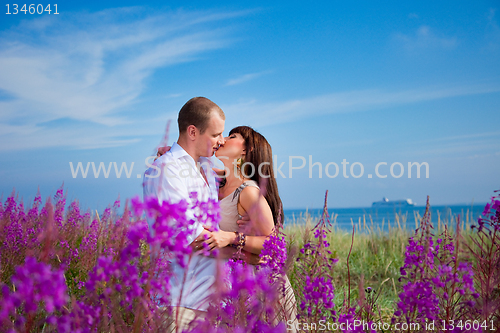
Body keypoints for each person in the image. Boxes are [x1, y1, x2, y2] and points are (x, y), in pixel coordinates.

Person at [202, 126, 298, 327]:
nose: (223, 139)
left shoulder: (247, 191)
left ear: (246, 150)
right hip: (235, 284)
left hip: (263, 288)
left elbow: (273, 244)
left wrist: (231, 238)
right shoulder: (219, 182)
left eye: (232, 136)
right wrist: (171, 153)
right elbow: (192, 163)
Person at [143, 97, 225, 331]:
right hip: (179, 303)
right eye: (216, 134)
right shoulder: (165, 169)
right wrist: (245, 246)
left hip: (208, 300)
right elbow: (190, 237)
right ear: (192, 132)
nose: (221, 140)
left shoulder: (206, 169)